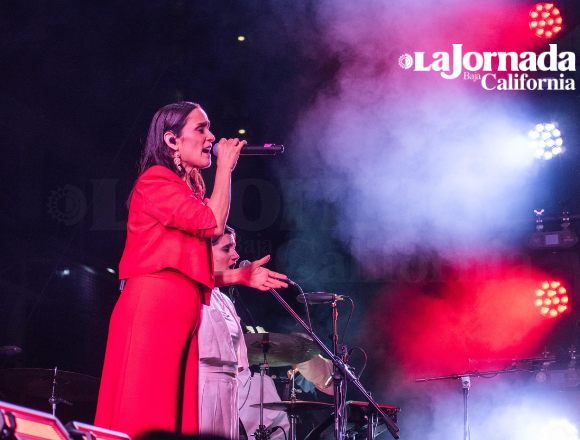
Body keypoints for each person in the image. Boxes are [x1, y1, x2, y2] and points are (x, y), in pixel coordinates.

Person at [95, 102, 287, 439]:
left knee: (171, 420)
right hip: (153, 309)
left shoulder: (186, 192)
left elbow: (186, 268)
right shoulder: (155, 180)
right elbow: (212, 224)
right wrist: (225, 168)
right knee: (144, 413)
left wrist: (237, 277)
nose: (211, 137)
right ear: (171, 141)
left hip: (180, 315)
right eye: (201, 129)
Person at [199, 226, 289, 439]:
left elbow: (240, 366)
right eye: (226, 248)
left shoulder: (225, 300)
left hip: (228, 395)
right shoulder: (191, 292)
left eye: (235, 248)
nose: (236, 256)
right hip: (201, 393)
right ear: (203, 251)